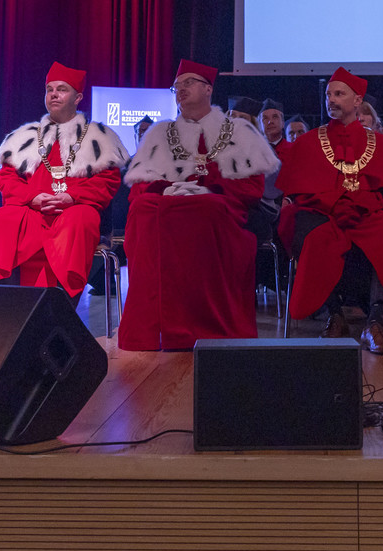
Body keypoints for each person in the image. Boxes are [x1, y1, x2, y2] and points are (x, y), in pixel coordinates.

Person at [118, 60, 280, 350]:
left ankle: (201, 327)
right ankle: (151, 327)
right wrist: (167, 187)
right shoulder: (159, 133)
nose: (181, 89)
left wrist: (208, 188)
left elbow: (251, 189)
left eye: (188, 83)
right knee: (143, 209)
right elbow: (139, 186)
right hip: (169, 202)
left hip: (221, 207)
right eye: (177, 86)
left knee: (205, 208)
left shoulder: (238, 131)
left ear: (208, 89)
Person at [279, 68, 383, 354]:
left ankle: (375, 321)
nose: (331, 100)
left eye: (339, 94)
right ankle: (334, 315)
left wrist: (362, 204)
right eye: (328, 94)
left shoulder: (381, 144)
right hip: (323, 213)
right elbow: (300, 191)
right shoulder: (307, 142)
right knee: (313, 235)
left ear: (357, 101)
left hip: (365, 213)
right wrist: (333, 203)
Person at [0, 62, 128, 296]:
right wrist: (32, 197)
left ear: (78, 98)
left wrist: (71, 197)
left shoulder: (99, 137)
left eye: (62, 89)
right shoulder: (24, 136)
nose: (54, 94)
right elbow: (7, 178)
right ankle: (8, 300)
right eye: (50, 89)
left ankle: (59, 304)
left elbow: (107, 182)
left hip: (75, 209)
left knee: (79, 221)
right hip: (31, 210)